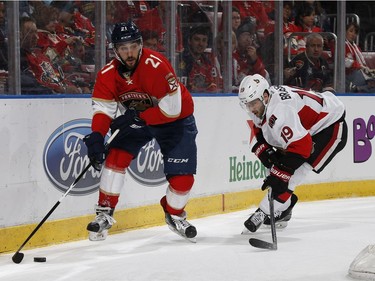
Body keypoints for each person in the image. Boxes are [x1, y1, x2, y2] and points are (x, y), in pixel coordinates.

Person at [83, 20, 198, 242]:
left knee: (183, 180)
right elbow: (104, 109)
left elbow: (171, 110)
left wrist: (139, 118)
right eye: (123, 48)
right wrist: (97, 136)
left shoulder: (156, 65)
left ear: (141, 44)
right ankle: (104, 213)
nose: (129, 53)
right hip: (139, 118)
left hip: (175, 120)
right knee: (115, 156)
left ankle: (174, 214)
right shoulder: (107, 74)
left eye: (133, 46)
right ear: (115, 50)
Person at [238, 74, 347, 233]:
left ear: (265, 96)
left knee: (291, 176)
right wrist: (271, 159)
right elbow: (260, 129)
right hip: (306, 130)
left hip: (330, 127)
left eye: (253, 103)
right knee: (275, 167)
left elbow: (302, 147)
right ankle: (283, 210)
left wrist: (280, 174)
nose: (252, 109)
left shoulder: (281, 111)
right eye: (247, 105)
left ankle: (262, 213)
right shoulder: (264, 104)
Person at [177, 25, 222, 93]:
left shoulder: (208, 63)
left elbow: (215, 85)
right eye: (197, 39)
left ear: (207, 43)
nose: (201, 44)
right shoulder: (180, 60)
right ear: (189, 41)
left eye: (204, 40)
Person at [343, 22, 375, 93]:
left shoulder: (356, 47)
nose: (353, 34)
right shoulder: (339, 45)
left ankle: (360, 88)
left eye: (355, 32)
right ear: (344, 31)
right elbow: (344, 62)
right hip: (348, 75)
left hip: (357, 74)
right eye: (351, 31)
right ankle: (361, 88)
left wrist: (369, 71)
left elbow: (363, 64)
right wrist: (360, 66)